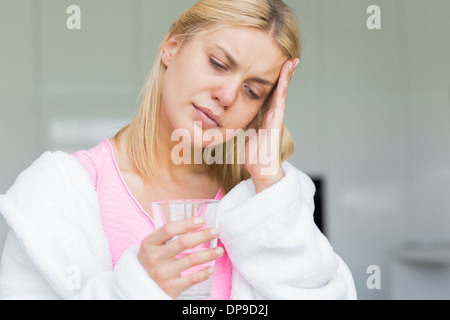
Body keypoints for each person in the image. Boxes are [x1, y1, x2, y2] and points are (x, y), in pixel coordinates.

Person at [0, 0, 356, 300]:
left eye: (252, 91)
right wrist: (133, 288)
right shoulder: (59, 195)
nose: (227, 96)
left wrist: (268, 183)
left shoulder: (261, 202)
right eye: (218, 63)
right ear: (171, 46)